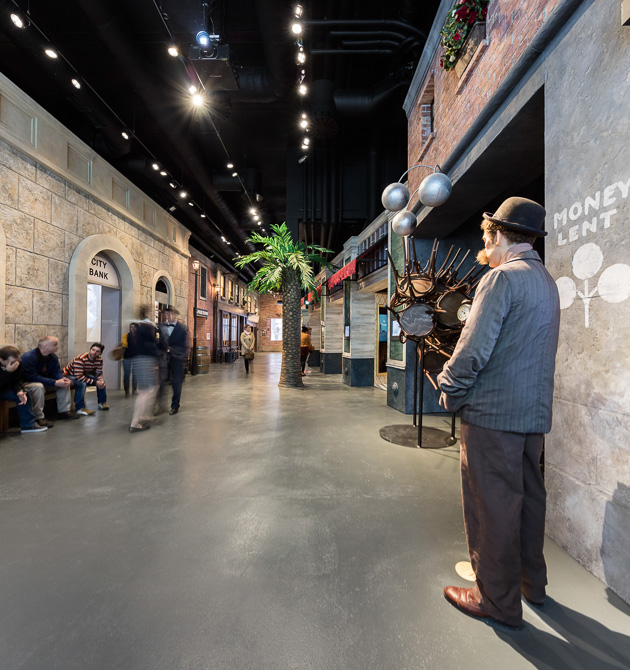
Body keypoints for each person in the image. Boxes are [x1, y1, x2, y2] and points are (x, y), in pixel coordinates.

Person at [437, 197, 560, 630]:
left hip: (492, 417)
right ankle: (531, 583)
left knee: (491, 508)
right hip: (531, 417)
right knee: (527, 502)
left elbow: (472, 350)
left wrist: (449, 389)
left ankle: (495, 600)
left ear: (498, 235)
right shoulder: (546, 282)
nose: (484, 244)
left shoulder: (501, 279)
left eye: (487, 237)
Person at [21, 336, 80, 420]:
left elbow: (56, 372)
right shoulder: (28, 357)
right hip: (28, 382)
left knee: (64, 383)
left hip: (45, 380)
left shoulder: (53, 357)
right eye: (55, 344)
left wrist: (61, 379)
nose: (58, 346)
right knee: (38, 387)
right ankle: (38, 417)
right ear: (45, 346)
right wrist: (55, 382)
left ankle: (64, 411)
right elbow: (32, 377)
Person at [0, 345, 48, 433]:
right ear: (1, 359)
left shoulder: (17, 364)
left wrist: (19, 391)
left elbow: (17, 380)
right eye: (12, 362)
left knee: (25, 393)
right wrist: (7, 372)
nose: (15, 364)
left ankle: (28, 425)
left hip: (6, 389)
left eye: (17, 361)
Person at [129, 306, 160, 432]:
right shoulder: (147, 327)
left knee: (148, 390)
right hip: (146, 360)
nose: (153, 313)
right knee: (147, 391)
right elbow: (153, 344)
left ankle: (143, 415)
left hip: (140, 359)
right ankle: (135, 423)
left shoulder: (140, 327)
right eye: (151, 311)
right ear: (147, 313)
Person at [156, 307, 190, 415]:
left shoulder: (182, 328)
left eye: (169, 314)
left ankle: (175, 405)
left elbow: (187, 344)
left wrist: (183, 355)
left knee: (176, 382)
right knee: (162, 382)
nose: (167, 316)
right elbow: (159, 343)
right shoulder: (161, 327)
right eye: (165, 314)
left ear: (174, 314)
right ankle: (160, 406)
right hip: (164, 357)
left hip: (177, 358)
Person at [63, 343, 109, 416]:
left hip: (83, 374)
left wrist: (100, 380)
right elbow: (79, 377)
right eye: (93, 350)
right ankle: (80, 408)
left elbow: (99, 373)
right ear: (89, 350)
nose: (94, 352)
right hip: (69, 375)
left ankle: (102, 403)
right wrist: (95, 382)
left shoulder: (99, 360)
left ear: (100, 353)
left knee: (101, 382)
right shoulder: (80, 359)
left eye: (97, 351)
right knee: (82, 384)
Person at [122, 323, 138, 398]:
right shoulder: (126, 335)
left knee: (135, 374)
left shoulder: (139, 336)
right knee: (126, 374)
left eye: (134, 327)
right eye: (131, 327)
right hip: (126, 357)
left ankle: (134, 389)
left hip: (136, 357)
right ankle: (127, 391)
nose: (133, 329)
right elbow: (124, 344)